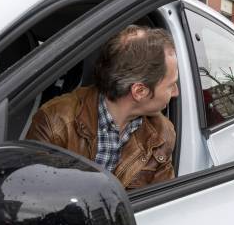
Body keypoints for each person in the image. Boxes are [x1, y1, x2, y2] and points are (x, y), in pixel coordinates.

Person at [26, 25, 179, 189]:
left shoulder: (163, 133)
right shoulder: (55, 123)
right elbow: (32, 195)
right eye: (170, 85)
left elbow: (161, 203)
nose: (176, 92)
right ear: (139, 91)